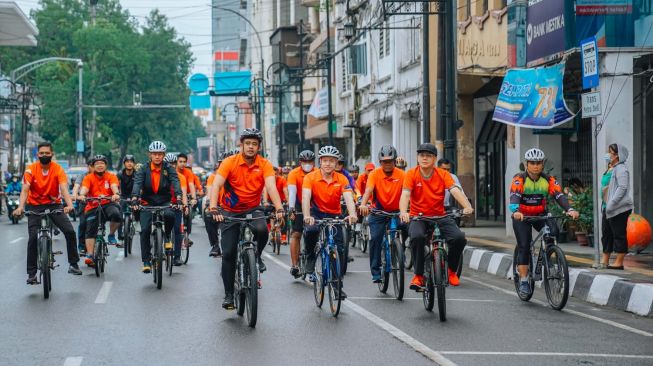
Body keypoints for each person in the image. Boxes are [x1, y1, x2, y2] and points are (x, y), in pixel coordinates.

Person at [209, 128, 284, 310]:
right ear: (241, 145)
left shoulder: (264, 164)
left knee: (262, 230)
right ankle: (228, 295)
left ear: (258, 147)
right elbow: (217, 184)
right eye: (247, 143)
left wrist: (280, 208)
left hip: (253, 208)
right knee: (228, 254)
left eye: (254, 144)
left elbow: (271, 187)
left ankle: (256, 256)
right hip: (230, 210)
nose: (251, 147)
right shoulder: (229, 162)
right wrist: (213, 207)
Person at [399, 143, 474, 291]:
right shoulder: (411, 174)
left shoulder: (443, 174)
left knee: (459, 238)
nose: (424, 158)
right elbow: (405, 194)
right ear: (417, 157)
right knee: (417, 237)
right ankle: (418, 275)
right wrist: (403, 212)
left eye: (428, 156)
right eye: (422, 155)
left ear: (434, 159)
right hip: (418, 217)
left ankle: (452, 270)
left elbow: (454, 190)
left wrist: (467, 206)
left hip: (439, 216)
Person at [509, 148, 579, 296]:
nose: (535, 166)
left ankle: (549, 260)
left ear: (543, 164)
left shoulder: (548, 180)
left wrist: (570, 209)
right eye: (532, 163)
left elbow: (559, 195)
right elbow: (514, 195)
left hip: (540, 214)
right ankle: (523, 280)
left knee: (553, 232)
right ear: (526, 164)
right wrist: (515, 211)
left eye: (538, 163)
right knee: (524, 245)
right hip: (522, 216)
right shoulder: (519, 179)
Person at [12, 142, 82, 283]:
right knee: (32, 238)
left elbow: (63, 188)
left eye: (47, 153)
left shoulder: (57, 169)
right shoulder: (30, 169)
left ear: (52, 154)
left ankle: (73, 264)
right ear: (38, 155)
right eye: (41, 153)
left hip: (54, 204)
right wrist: (20, 206)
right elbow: (25, 190)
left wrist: (69, 205)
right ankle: (32, 274)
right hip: (34, 206)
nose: (44, 155)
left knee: (69, 231)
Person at [302, 145, 358, 299]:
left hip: (335, 215)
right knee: (312, 231)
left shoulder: (342, 178)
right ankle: (310, 257)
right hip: (315, 213)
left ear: (336, 163)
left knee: (338, 251)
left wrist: (352, 214)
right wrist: (307, 215)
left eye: (331, 161)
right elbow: (306, 197)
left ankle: (337, 286)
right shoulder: (310, 177)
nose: (328, 163)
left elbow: (348, 197)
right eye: (325, 160)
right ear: (320, 162)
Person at [131, 141, 182, 273]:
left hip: (164, 201)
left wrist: (179, 197)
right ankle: (146, 261)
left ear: (163, 155)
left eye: (160, 154)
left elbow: (175, 181)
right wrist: (135, 197)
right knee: (145, 230)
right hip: (147, 202)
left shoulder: (168, 168)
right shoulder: (143, 168)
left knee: (170, 215)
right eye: (154, 154)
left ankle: (167, 237)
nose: (157, 157)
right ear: (150, 155)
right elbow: (137, 183)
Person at [360, 145, 407, 283]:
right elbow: (368, 190)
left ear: (395, 161)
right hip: (378, 212)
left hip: (397, 211)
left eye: (390, 161)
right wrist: (363, 204)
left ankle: (400, 251)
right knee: (375, 238)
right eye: (384, 161)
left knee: (409, 227)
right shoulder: (374, 174)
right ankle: (375, 271)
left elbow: (409, 192)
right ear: (380, 162)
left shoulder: (402, 174)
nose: (387, 164)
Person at [78, 155, 122, 267]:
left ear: (106, 165)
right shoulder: (88, 178)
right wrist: (82, 195)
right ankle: (89, 255)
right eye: (97, 164)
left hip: (108, 203)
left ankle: (111, 235)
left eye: (102, 163)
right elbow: (84, 189)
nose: (100, 165)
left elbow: (114, 186)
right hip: (92, 205)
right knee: (90, 230)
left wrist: (116, 194)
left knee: (116, 214)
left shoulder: (111, 176)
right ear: (93, 166)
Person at [601, 143, 633, 270]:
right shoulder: (614, 168)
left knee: (619, 234)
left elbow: (623, 188)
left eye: (611, 153)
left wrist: (611, 203)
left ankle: (619, 262)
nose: (609, 155)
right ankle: (605, 260)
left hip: (618, 208)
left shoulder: (621, 169)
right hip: (608, 208)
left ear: (618, 155)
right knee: (606, 234)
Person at [287, 150, 316, 277]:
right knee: (296, 233)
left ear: (314, 162)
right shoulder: (294, 173)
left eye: (310, 162)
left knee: (314, 232)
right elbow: (292, 193)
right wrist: (292, 208)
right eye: (305, 162)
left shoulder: (318, 172)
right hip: (298, 204)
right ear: (300, 162)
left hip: (314, 204)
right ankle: (295, 266)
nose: (307, 164)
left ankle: (312, 258)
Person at [164, 153, 189, 266]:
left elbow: (183, 192)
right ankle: (160, 249)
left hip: (176, 205)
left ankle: (177, 257)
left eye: (173, 164)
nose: (172, 166)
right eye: (169, 164)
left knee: (178, 231)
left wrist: (185, 205)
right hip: (163, 206)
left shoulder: (181, 177)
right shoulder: (161, 177)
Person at [72, 159, 94, 254]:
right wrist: (75, 195)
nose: (94, 167)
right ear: (88, 166)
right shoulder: (82, 176)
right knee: (83, 224)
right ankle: (81, 245)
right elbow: (76, 186)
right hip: (84, 204)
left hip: (99, 204)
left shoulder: (103, 176)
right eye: (92, 165)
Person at [176, 153, 198, 245]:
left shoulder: (188, 172)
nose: (182, 164)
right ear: (176, 162)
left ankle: (186, 236)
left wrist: (194, 198)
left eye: (184, 162)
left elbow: (191, 185)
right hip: (176, 196)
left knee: (188, 213)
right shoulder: (172, 171)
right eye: (180, 162)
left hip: (186, 194)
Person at [117, 154, 136, 243]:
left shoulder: (137, 174)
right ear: (124, 164)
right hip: (123, 196)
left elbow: (141, 186)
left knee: (138, 209)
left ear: (134, 164)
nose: (129, 164)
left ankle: (137, 222)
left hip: (134, 196)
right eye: (127, 162)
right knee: (119, 215)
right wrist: (116, 195)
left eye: (131, 162)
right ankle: (120, 236)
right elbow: (116, 186)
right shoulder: (120, 174)